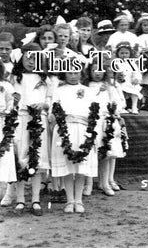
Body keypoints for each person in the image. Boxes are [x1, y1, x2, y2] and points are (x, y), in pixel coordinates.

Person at [3, 43, 51, 216]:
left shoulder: (44, 79)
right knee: (21, 157)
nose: (31, 62)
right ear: (21, 57)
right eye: (28, 57)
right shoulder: (14, 78)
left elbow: (50, 101)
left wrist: (44, 105)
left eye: (35, 59)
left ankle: (36, 200)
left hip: (39, 120)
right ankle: (21, 199)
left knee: (36, 158)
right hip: (20, 120)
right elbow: (8, 99)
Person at [50, 65, 98, 214]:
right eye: (70, 72)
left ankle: (79, 200)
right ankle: (70, 200)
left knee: (81, 166)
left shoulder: (88, 91)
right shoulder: (59, 91)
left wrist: (92, 132)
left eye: (76, 72)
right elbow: (54, 111)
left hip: (83, 130)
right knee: (68, 167)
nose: (72, 75)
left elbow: (95, 112)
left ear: (80, 73)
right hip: (66, 130)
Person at [86, 57, 127, 197]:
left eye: (100, 70)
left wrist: (113, 111)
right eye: (93, 70)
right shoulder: (86, 87)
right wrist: (97, 92)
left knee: (106, 154)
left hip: (105, 122)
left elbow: (118, 104)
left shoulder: (109, 87)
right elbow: (86, 103)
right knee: (90, 153)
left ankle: (105, 182)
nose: (97, 73)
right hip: (91, 122)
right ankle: (88, 184)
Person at [0, 62, 16, 201]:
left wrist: (8, 110)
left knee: (2, 165)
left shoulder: (6, 86)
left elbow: (13, 104)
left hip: (2, 128)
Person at [114, 41, 142, 114]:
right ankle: (123, 107)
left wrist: (136, 79)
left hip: (129, 82)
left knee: (135, 89)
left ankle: (134, 106)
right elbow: (112, 73)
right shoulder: (115, 62)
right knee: (118, 89)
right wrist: (117, 77)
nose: (124, 55)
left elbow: (136, 73)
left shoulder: (132, 63)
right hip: (119, 82)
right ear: (118, 54)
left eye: (126, 53)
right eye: (122, 53)